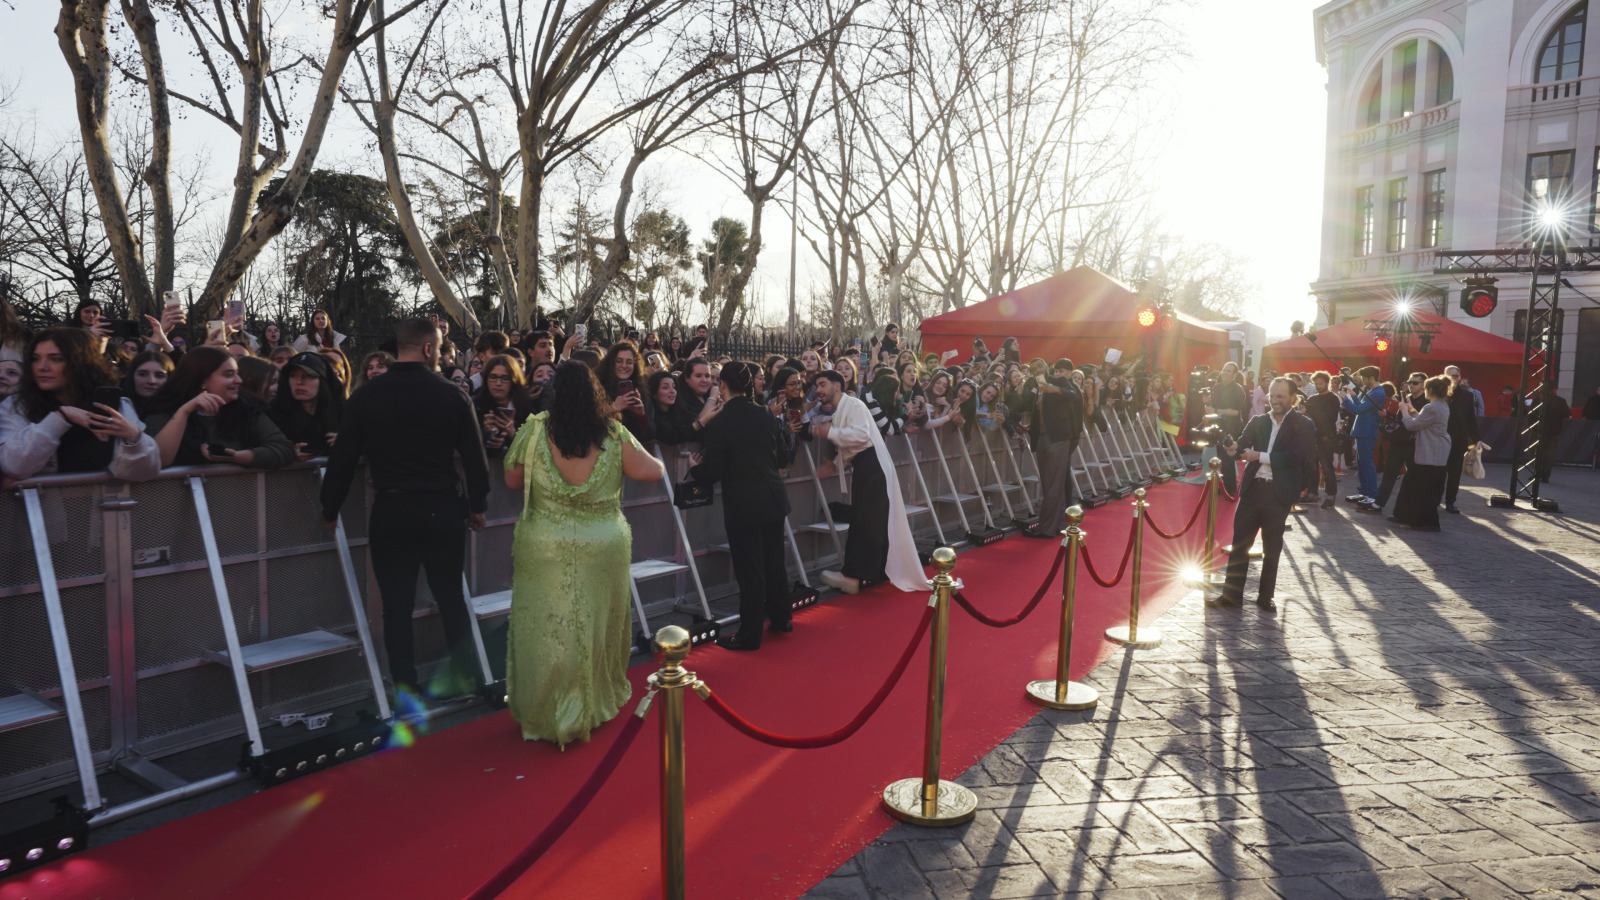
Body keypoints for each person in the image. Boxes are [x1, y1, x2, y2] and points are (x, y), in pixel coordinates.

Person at [320, 318, 490, 700]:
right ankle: (466, 679)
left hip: (392, 507)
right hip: (442, 506)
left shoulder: (366, 396)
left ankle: (403, 687)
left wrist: (329, 509)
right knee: (450, 597)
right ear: (429, 349)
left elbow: (343, 459)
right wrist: (477, 506)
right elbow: (476, 461)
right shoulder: (452, 394)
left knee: (395, 606)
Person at [503, 361, 665, 745]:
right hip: (601, 543)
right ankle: (589, 705)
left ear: (554, 392)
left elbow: (512, 479)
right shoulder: (611, 432)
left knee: (547, 626)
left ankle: (549, 708)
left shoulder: (536, 428)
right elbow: (654, 472)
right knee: (593, 624)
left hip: (544, 542)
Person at [686, 362, 793, 651]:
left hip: (745, 504)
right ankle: (782, 619)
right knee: (773, 563)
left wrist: (695, 469)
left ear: (722, 385)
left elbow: (714, 471)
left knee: (750, 570)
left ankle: (749, 635)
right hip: (773, 497)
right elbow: (780, 456)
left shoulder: (719, 423)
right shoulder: (765, 415)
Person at [812, 370, 927, 595]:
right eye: (817, 385)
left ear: (837, 385)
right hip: (867, 467)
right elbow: (852, 446)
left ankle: (854, 576)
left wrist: (830, 432)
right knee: (867, 521)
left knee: (866, 522)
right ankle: (872, 573)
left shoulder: (854, 405)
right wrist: (834, 465)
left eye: (823, 384)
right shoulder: (842, 410)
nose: (818, 390)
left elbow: (860, 436)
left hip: (872, 466)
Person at [1210, 377, 1316, 614]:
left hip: (1278, 493)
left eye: (1280, 396)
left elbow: (1295, 456)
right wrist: (1232, 450)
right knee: (1239, 545)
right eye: (1272, 395)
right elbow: (1240, 449)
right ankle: (1231, 596)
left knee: (1272, 547)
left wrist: (1258, 456)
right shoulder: (1258, 421)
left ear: (1292, 397)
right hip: (1252, 489)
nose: (1275, 400)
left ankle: (1265, 596)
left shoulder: (1303, 424)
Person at [0, 328, 160, 481]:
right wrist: (61, 417)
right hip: (38, 507)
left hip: (103, 506)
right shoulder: (17, 406)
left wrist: (134, 438)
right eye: (36, 358)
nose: (42, 367)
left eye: (56, 359)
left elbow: (143, 473)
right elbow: (14, 466)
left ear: (82, 362)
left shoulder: (115, 405)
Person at [143, 347, 297, 469]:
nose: (238, 380)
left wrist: (237, 456)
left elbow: (284, 449)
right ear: (201, 379)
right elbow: (157, 461)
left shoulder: (245, 407)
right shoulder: (163, 410)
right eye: (229, 374)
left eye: (237, 373)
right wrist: (184, 412)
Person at [1022, 358, 1084, 539]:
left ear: (1046, 367)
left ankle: (1045, 528)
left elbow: (1075, 395)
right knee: (1050, 482)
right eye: (1032, 367)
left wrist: (1054, 389)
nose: (1036, 369)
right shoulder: (1036, 387)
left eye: (1039, 365)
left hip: (1058, 438)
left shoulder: (1058, 381)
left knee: (1053, 483)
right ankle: (1058, 523)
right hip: (1041, 437)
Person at [1357, 372, 1426, 515]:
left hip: (1414, 442)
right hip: (1399, 440)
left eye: (1415, 383)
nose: (1411, 385)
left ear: (1423, 385)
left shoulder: (1426, 402)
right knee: (1389, 474)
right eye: (1409, 382)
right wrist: (1388, 415)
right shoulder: (1406, 398)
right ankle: (1378, 504)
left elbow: (1418, 422)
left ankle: (1407, 510)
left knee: (1412, 477)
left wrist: (1407, 411)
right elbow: (1400, 419)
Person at [1391, 375, 1452, 532]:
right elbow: (1423, 420)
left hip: (1431, 452)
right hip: (1436, 452)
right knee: (1423, 486)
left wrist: (1404, 412)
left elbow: (1412, 426)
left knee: (1424, 488)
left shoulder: (1432, 407)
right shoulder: (1441, 405)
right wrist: (1411, 409)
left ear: (1430, 390)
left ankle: (1426, 522)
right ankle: (1414, 518)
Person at [268, 352, 344, 460]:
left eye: (308, 376)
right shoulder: (273, 415)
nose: (299, 382)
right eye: (293, 375)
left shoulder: (344, 414)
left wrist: (349, 441)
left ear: (322, 381)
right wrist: (286, 451)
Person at [473, 353, 537, 458]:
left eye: (505, 378)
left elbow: (537, 448)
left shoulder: (526, 409)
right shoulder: (475, 407)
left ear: (514, 380)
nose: (498, 383)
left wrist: (513, 435)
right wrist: (482, 432)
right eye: (493, 377)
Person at [1341, 366, 1386, 504]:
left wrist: (1344, 399)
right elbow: (1361, 406)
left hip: (1367, 431)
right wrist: (1353, 395)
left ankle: (1371, 494)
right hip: (1363, 431)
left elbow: (1358, 410)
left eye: (1365, 379)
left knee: (1366, 463)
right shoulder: (1373, 391)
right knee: (1361, 464)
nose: (1363, 381)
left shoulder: (1377, 392)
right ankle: (1364, 492)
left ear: (1372, 378)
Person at [1442, 365, 1480, 513]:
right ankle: (1434, 499)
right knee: (1438, 471)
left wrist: (1476, 438)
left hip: (1458, 440)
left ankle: (1450, 502)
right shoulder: (1438, 393)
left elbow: (1471, 418)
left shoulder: (1467, 396)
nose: (1453, 379)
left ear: (1459, 377)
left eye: (1455, 376)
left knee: (1454, 473)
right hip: (1440, 439)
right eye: (1449, 376)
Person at [596, 340, 652, 442]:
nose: (624, 366)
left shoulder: (640, 391)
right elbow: (587, 423)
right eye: (619, 361)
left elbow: (648, 436)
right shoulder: (597, 388)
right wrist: (613, 408)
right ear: (611, 363)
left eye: (629, 362)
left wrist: (641, 415)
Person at [1209, 362, 1248, 497]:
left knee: (1227, 456)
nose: (1225, 373)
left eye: (1228, 371)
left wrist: (1215, 410)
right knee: (1220, 455)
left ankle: (1230, 488)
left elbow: (1235, 412)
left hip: (1231, 425)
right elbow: (1212, 405)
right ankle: (1224, 485)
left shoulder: (1237, 389)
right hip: (1217, 424)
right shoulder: (1217, 387)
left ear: (1234, 374)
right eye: (1224, 370)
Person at [1303, 372, 1341, 509]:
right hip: (1312, 437)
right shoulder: (1312, 399)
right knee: (1312, 468)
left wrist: (1311, 410)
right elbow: (1307, 417)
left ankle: (1330, 495)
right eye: (1316, 384)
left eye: (1321, 383)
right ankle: (1312, 493)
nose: (1318, 386)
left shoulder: (1333, 399)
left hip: (1326, 438)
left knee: (1327, 468)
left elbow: (1329, 418)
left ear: (1327, 383)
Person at [1535, 381, 1572, 483]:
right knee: (1549, 455)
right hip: (1555, 431)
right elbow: (1568, 414)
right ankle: (1545, 475)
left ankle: (1536, 474)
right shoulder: (1560, 400)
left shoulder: (1538, 399)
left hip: (1540, 431)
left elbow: (1532, 415)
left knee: (1537, 453)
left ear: (1542, 388)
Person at [121, 350, 174, 416]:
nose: (151, 381)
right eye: (143, 374)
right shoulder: (118, 407)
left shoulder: (178, 413)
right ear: (132, 376)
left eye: (159, 375)